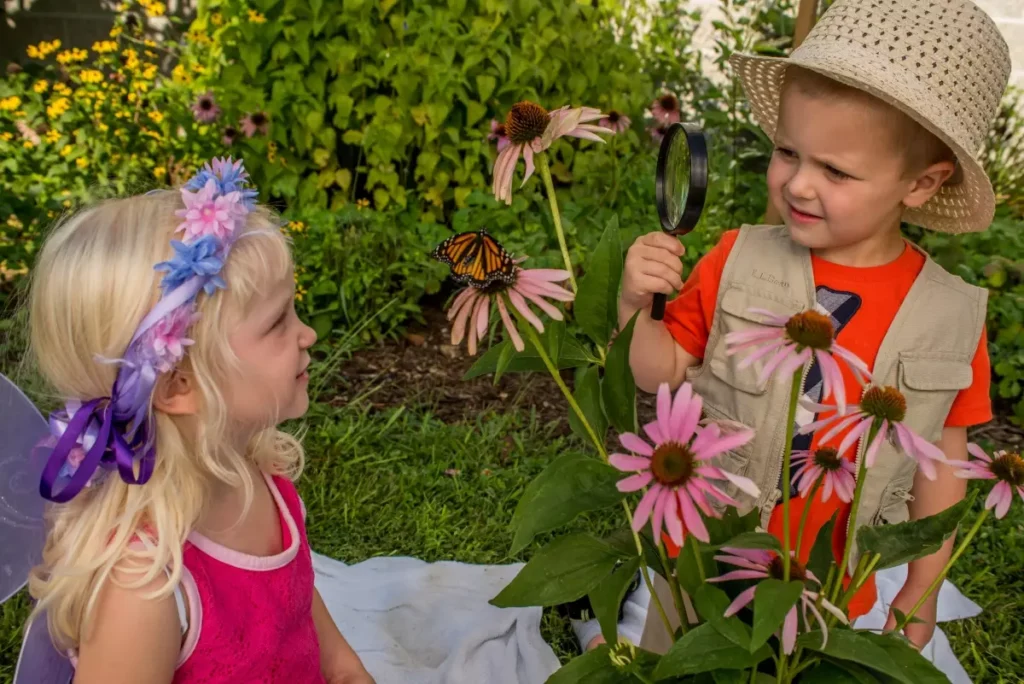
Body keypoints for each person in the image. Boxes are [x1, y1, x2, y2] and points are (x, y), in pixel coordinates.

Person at [610, 0, 1010, 654]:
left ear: (922, 183)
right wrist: (635, 307)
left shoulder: (949, 318)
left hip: (830, 584)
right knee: (676, 663)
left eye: (835, 170)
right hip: (702, 558)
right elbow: (661, 375)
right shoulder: (735, 260)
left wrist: (923, 586)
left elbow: (942, 468)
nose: (797, 184)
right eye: (787, 152)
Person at [24, 158, 374, 683]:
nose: (308, 335)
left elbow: (302, 619)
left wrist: (349, 673)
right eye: (278, 322)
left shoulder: (255, 472)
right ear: (177, 385)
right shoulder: (144, 587)